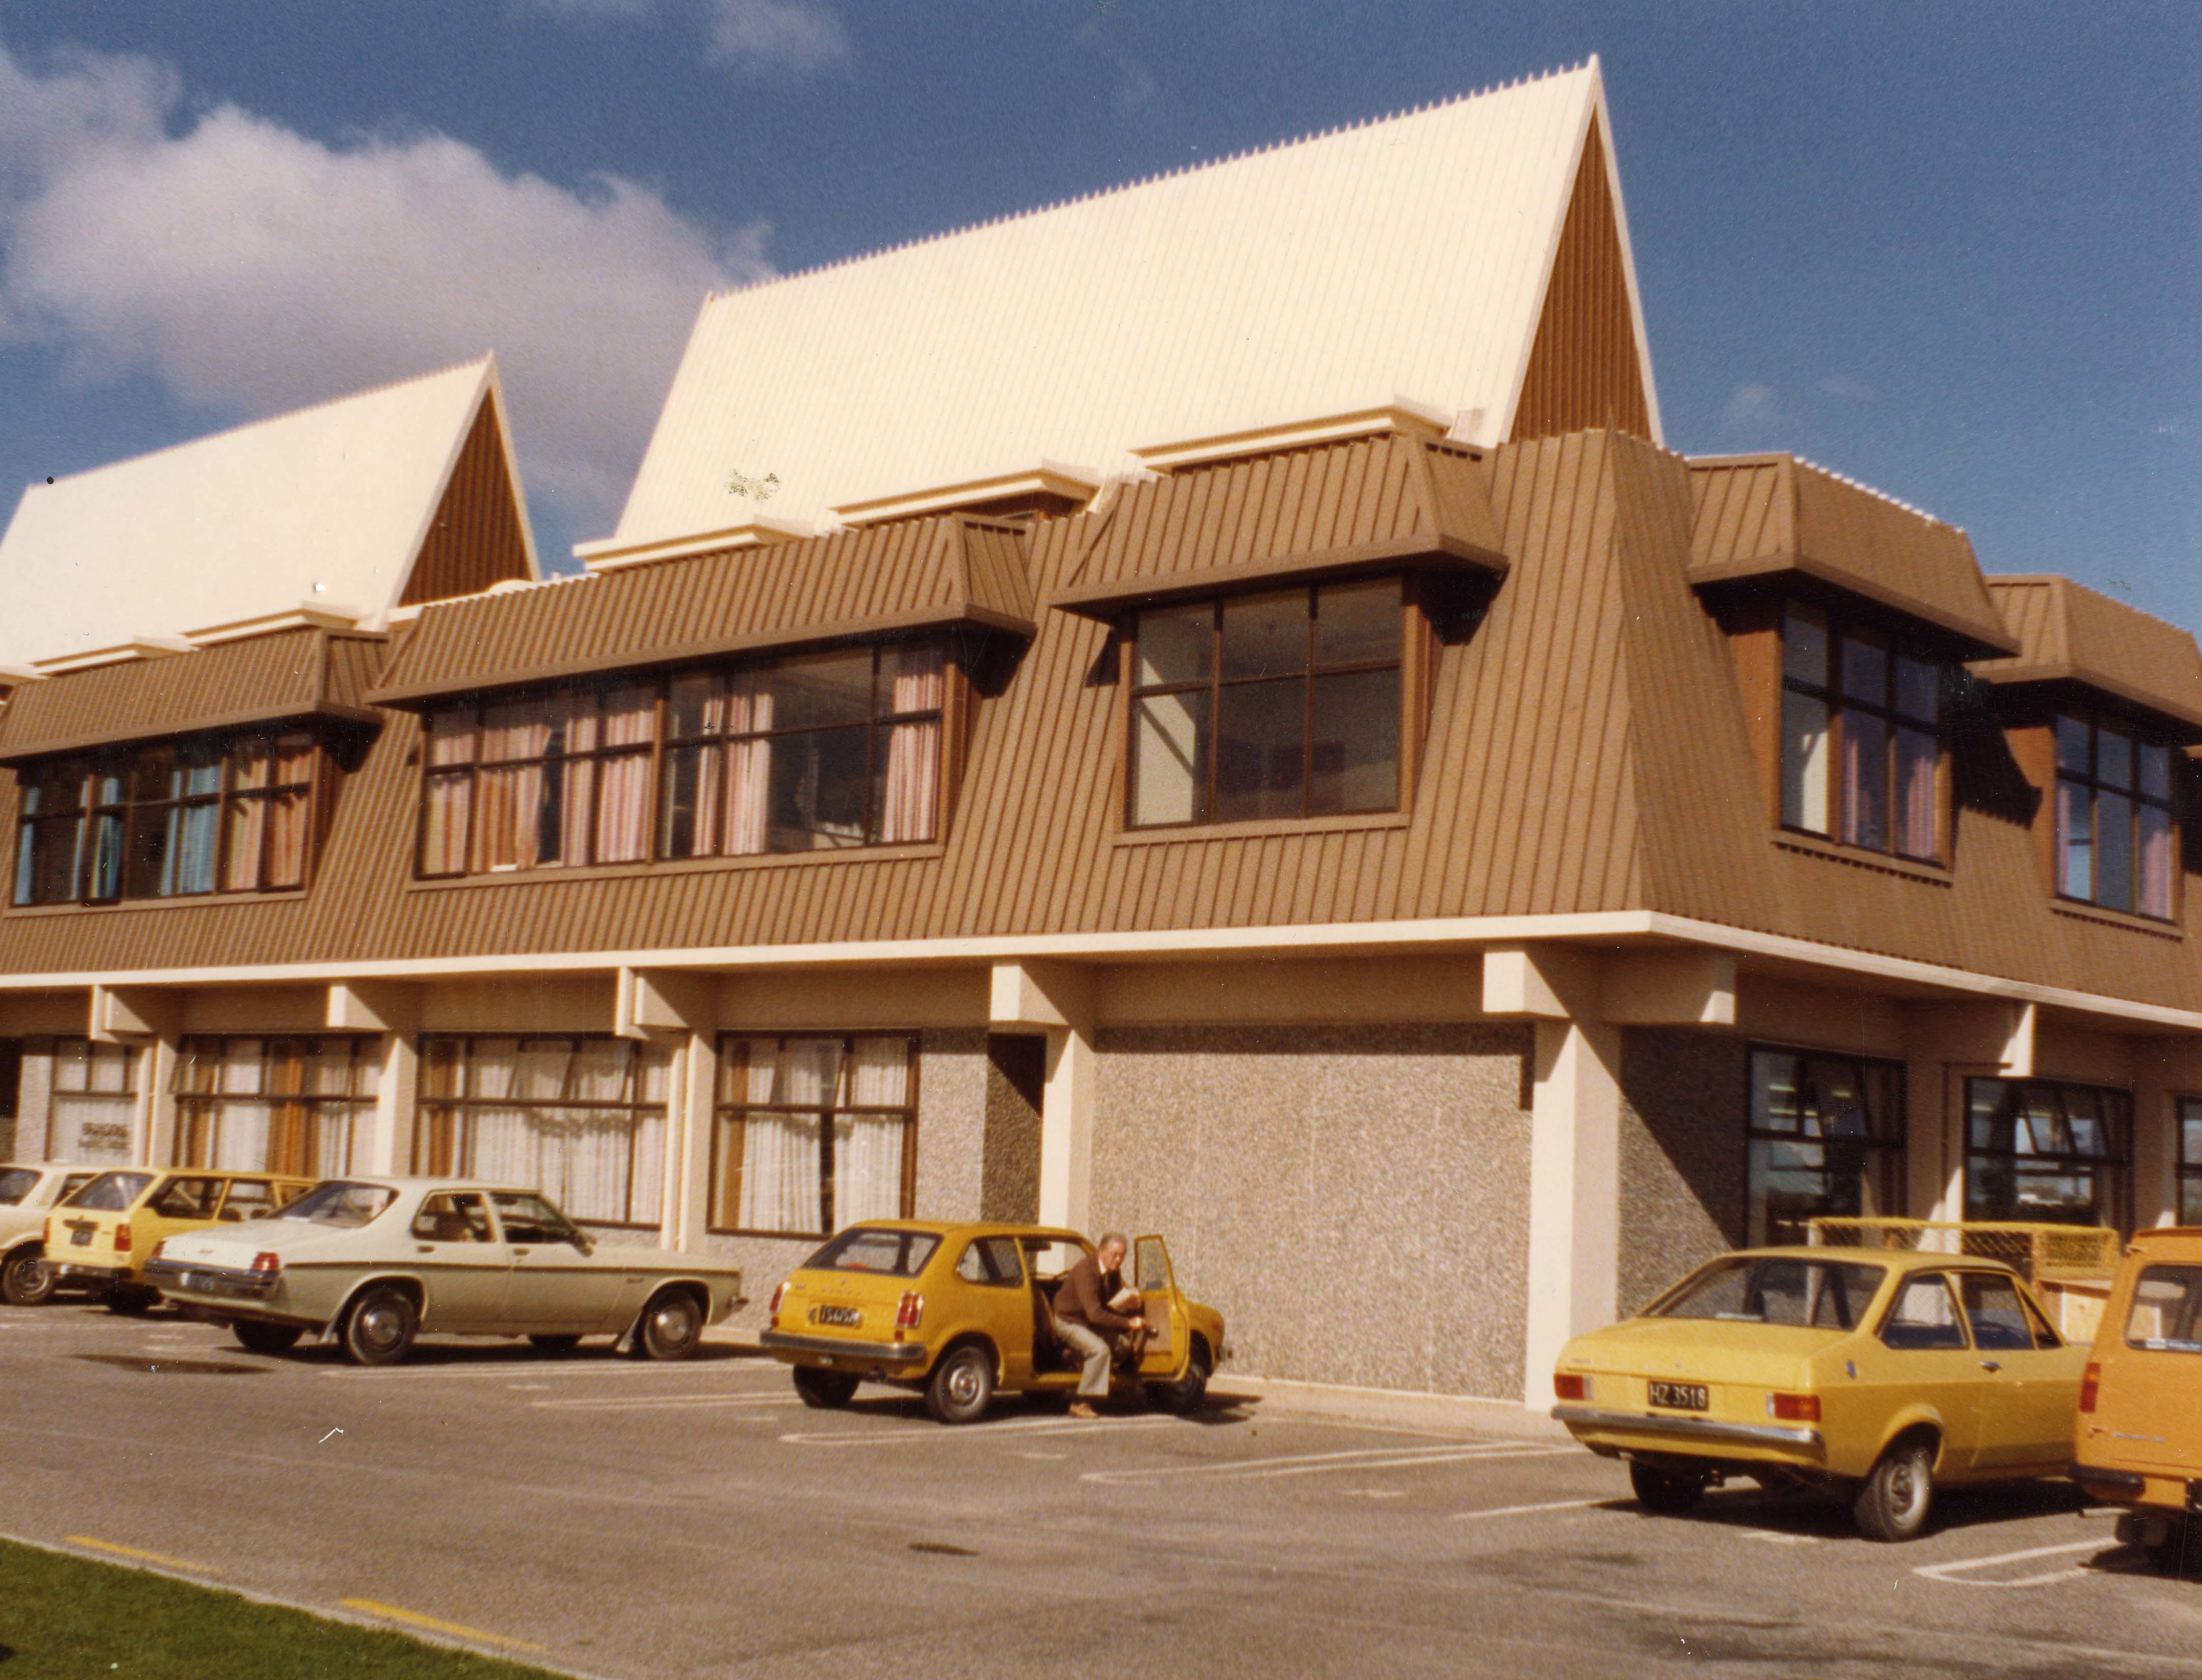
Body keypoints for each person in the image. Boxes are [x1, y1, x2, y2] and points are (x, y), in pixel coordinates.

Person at [1053, 1231, 1143, 1419]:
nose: (1118, 1260)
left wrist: (1131, 1301)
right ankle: (1081, 1402)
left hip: (1086, 1321)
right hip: (1068, 1321)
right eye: (1115, 1254)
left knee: (1123, 1346)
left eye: (1123, 1255)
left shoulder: (1112, 1271)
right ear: (1102, 1251)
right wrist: (1128, 1323)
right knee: (1100, 1351)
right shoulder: (1086, 1271)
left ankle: (1091, 1373)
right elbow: (1095, 1314)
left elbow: (1114, 1296)